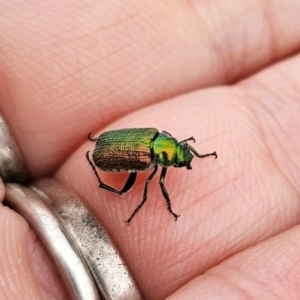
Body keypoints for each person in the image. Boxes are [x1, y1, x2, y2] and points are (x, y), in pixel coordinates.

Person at [0, 1, 300, 299]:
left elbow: (179, 146)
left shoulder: (159, 138)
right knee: (128, 190)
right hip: (108, 154)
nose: (184, 158)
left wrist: (197, 154)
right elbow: (149, 187)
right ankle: (97, 168)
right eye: (181, 156)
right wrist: (161, 206)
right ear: (164, 154)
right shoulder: (151, 158)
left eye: (182, 155)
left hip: (111, 142)